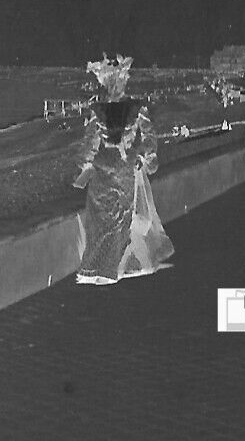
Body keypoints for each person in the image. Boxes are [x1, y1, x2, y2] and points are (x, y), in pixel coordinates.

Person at [73, 55, 173, 285]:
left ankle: (104, 268)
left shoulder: (103, 110)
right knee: (114, 221)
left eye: (115, 82)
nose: (114, 86)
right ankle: (109, 267)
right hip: (118, 168)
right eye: (113, 83)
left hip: (113, 169)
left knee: (114, 220)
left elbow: (90, 144)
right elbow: (148, 136)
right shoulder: (125, 109)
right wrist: (146, 157)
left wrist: (83, 167)